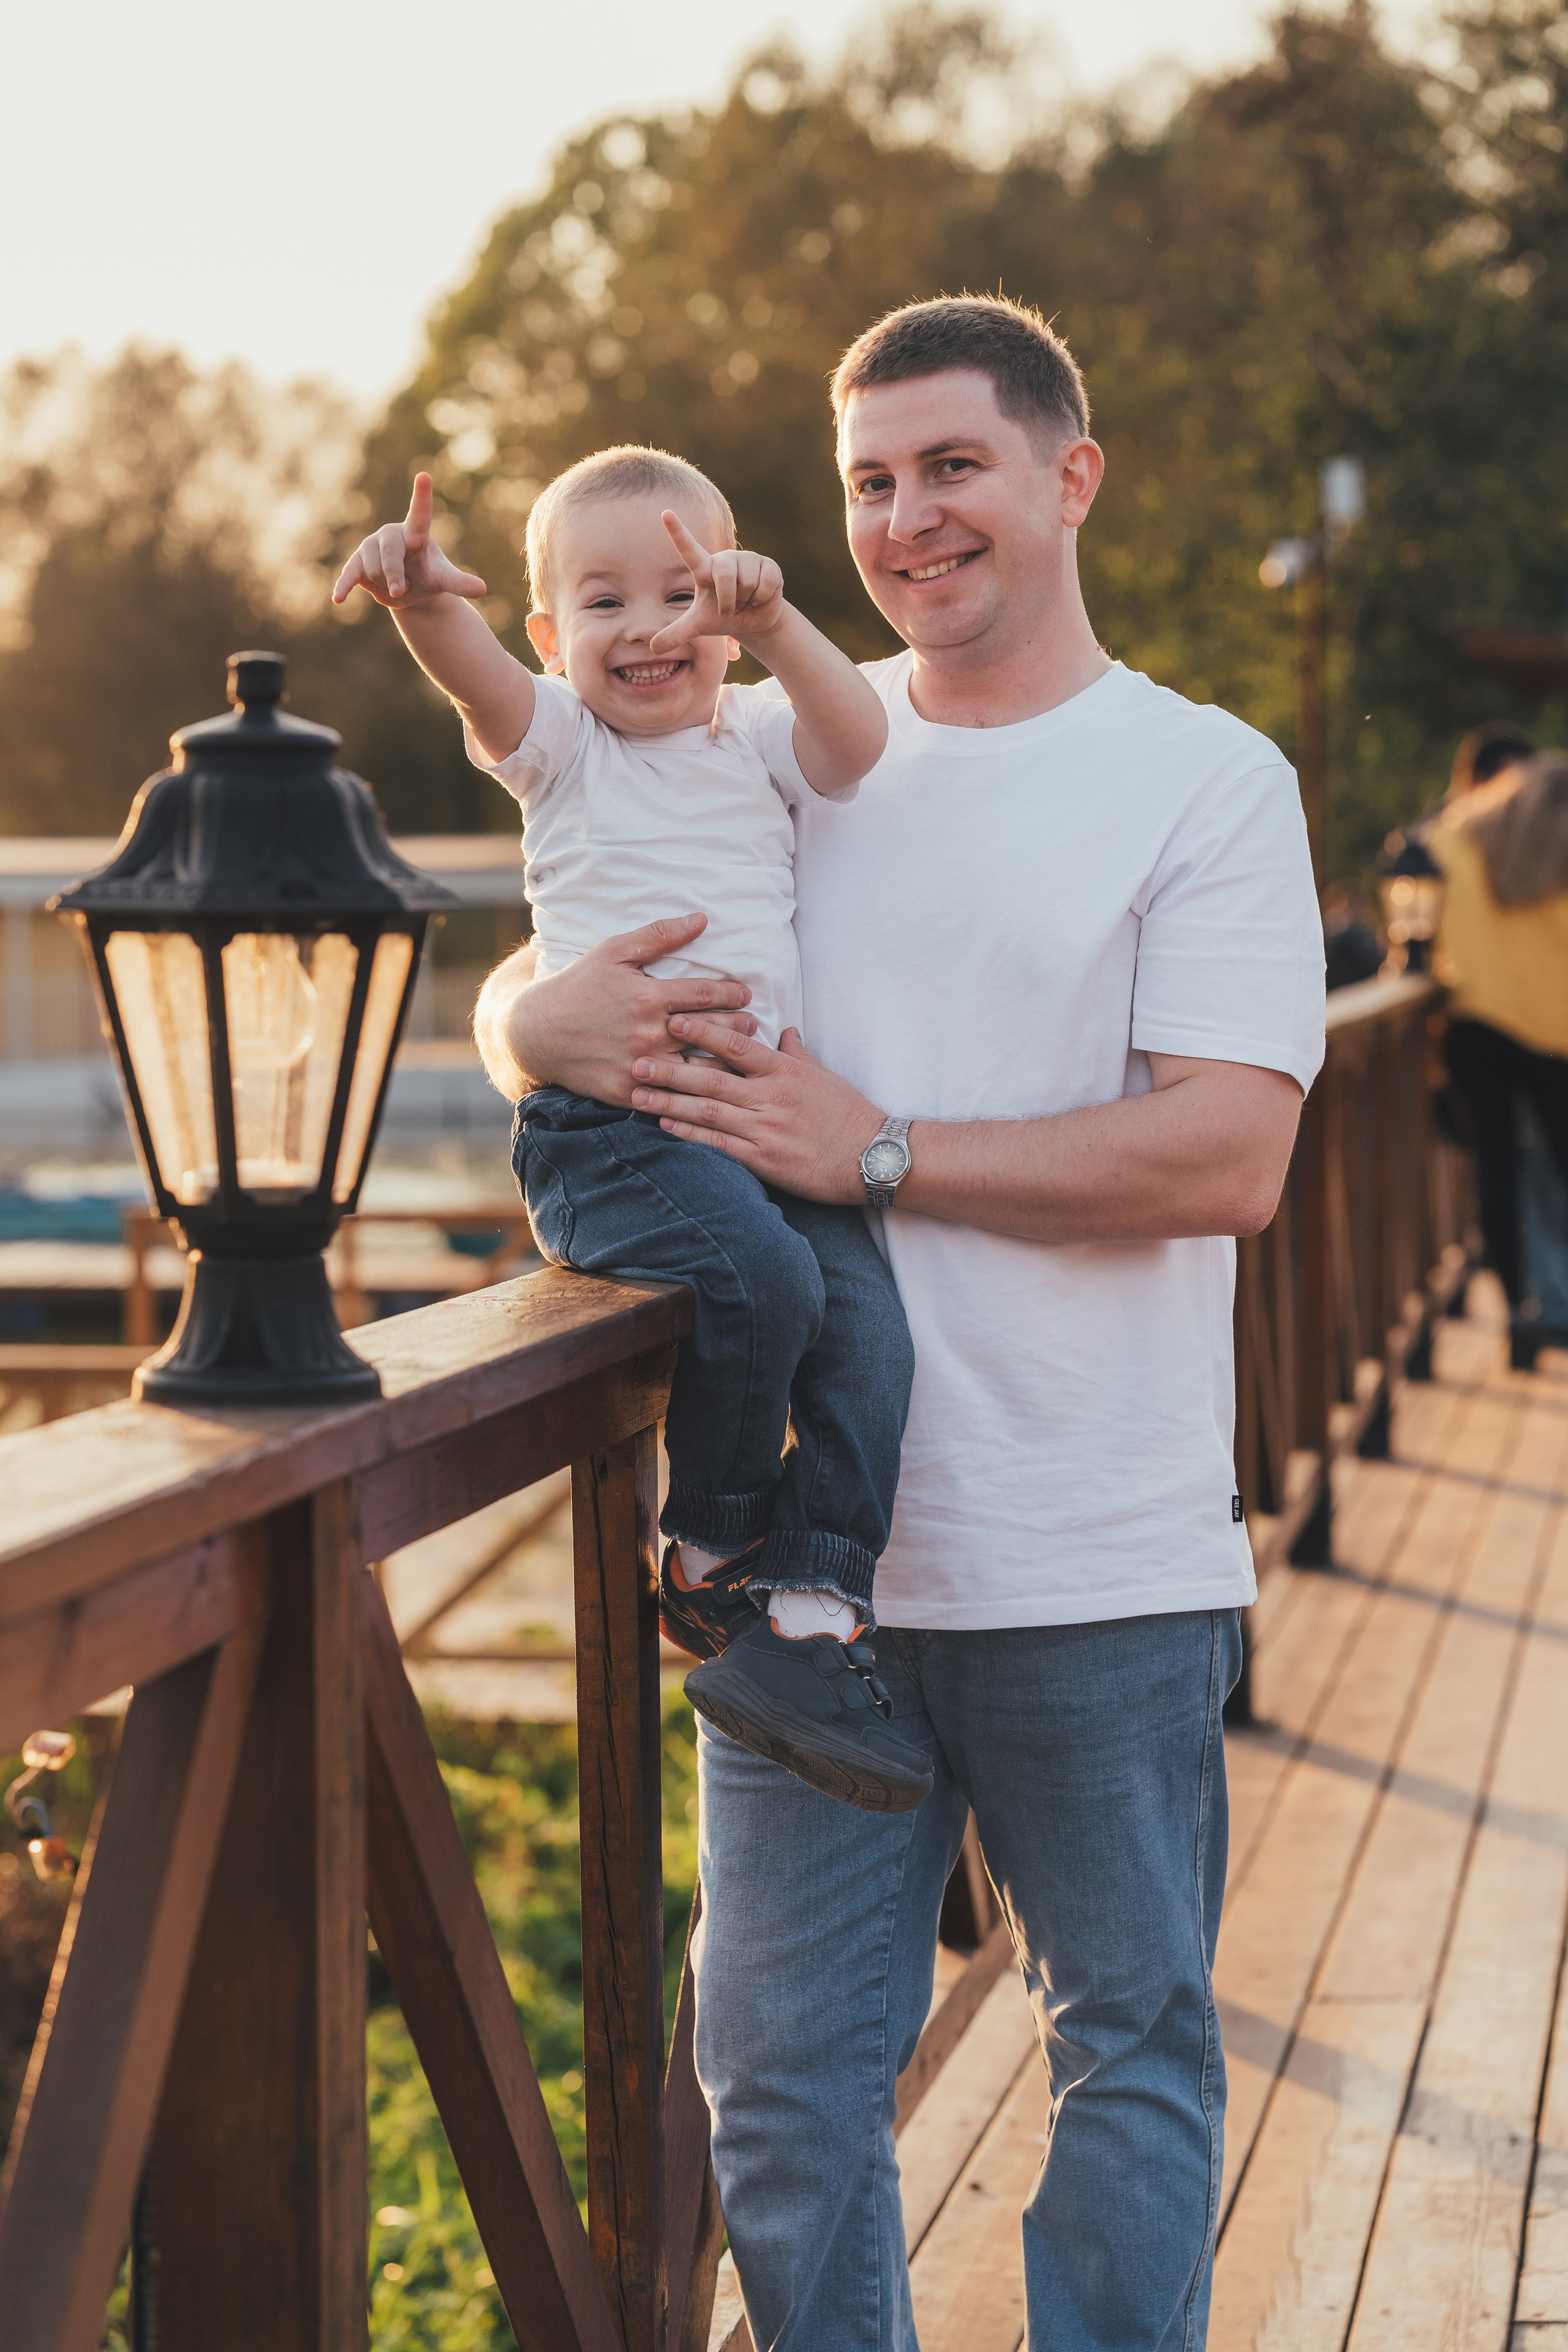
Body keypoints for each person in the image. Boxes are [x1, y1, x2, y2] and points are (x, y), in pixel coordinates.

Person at [475, 295, 1324, 2351]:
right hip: (795, 1580)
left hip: (1089, 1558)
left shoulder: (1202, 780)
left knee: (1126, 2055)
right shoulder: (756, 737)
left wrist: (875, 1151)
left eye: (953, 466)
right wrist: (522, 1031)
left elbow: (1226, 1157)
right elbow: (561, 896)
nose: (906, 516)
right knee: (770, 2098)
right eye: (868, 479)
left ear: (1068, 478)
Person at [334, 451, 934, 1814]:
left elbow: (860, 741)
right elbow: (474, 677)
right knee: (765, 1286)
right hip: (613, 1141)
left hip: (766, 1135)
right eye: (604, 601)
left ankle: (818, 1600)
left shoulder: (762, 731)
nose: (651, 627)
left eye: (684, 592)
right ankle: (710, 1549)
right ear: (552, 637)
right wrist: (422, 600)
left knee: (871, 1335)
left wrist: (774, 620)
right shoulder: (562, 744)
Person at [1430, 750, 1568, 1366]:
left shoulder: (1454, 837)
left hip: (1476, 1022)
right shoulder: (1558, 849)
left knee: (1496, 1168)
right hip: (1556, 1031)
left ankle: (1516, 1308)